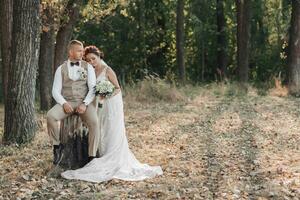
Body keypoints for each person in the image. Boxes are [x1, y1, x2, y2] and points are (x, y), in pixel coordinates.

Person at [61, 46, 163, 182]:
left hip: (111, 103)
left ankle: (113, 156)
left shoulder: (107, 70)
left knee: (111, 128)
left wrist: (105, 94)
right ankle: (102, 154)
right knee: (101, 127)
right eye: (88, 60)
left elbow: (117, 88)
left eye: (93, 59)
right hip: (98, 104)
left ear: (99, 57)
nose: (91, 62)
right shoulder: (89, 71)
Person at [47, 40, 100, 165]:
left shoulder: (88, 67)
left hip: (83, 102)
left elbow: (93, 88)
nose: (82, 53)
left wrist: (85, 104)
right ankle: (56, 147)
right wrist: (64, 103)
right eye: (79, 51)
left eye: (82, 50)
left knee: (94, 123)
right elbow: (55, 91)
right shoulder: (61, 69)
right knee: (51, 116)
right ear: (71, 52)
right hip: (67, 102)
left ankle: (92, 156)